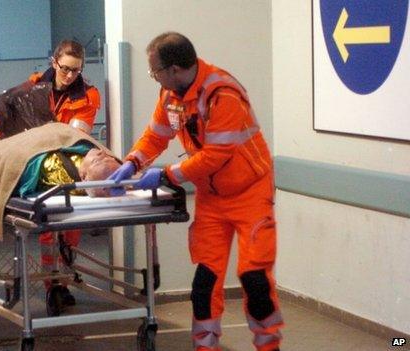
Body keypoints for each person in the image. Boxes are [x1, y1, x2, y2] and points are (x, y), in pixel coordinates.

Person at [109, 32, 283, 351]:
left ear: (174, 69)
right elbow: (155, 136)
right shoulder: (170, 96)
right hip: (213, 199)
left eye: (154, 71)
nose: (153, 77)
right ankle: (205, 347)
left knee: (254, 280)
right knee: (204, 284)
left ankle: (269, 346)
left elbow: (217, 155)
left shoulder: (223, 94)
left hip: (250, 194)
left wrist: (166, 175)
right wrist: (132, 162)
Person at [26, 39, 101, 307]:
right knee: (49, 230)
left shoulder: (88, 96)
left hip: (68, 165)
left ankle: (64, 281)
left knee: (70, 229)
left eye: (76, 71)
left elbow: (75, 137)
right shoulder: (34, 85)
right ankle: (52, 285)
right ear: (53, 62)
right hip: (38, 162)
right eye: (65, 69)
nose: (70, 76)